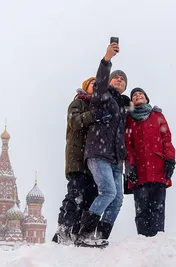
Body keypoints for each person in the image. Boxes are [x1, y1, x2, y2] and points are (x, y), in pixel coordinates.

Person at [75, 42, 130, 247]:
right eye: (116, 76)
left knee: (117, 200)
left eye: (123, 79)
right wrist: (107, 60)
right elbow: (99, 82)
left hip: (116, 159)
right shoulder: (103, 96)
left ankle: (100, 236)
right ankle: (84, 235)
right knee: (108, 192)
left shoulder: (123, 107)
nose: (119, 80)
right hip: (98, 153)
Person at [52, 77, 111, 244]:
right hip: (77, 158)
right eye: (93, 84)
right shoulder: (78, 103)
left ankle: (78, 233)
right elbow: (74, 121)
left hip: (92, 161)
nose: (96, 86)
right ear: (86, 87)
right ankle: (63, 231)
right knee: (75, 194)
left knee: (89, 198)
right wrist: (94, 114)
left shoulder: (99, 108)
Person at [125, 87, 176, 237]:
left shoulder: (157, 116)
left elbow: (167, 139)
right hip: (139, 171)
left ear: (146, 99)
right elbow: (128, 145)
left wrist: (170, 159)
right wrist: (130, 166)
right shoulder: (129, 120)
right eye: (134, 95)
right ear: (132, 102)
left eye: (140, 94)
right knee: (141, 209)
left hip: (158, 168)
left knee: (158, 208)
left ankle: (157, 241)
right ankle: (143, 242)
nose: (137, 95)